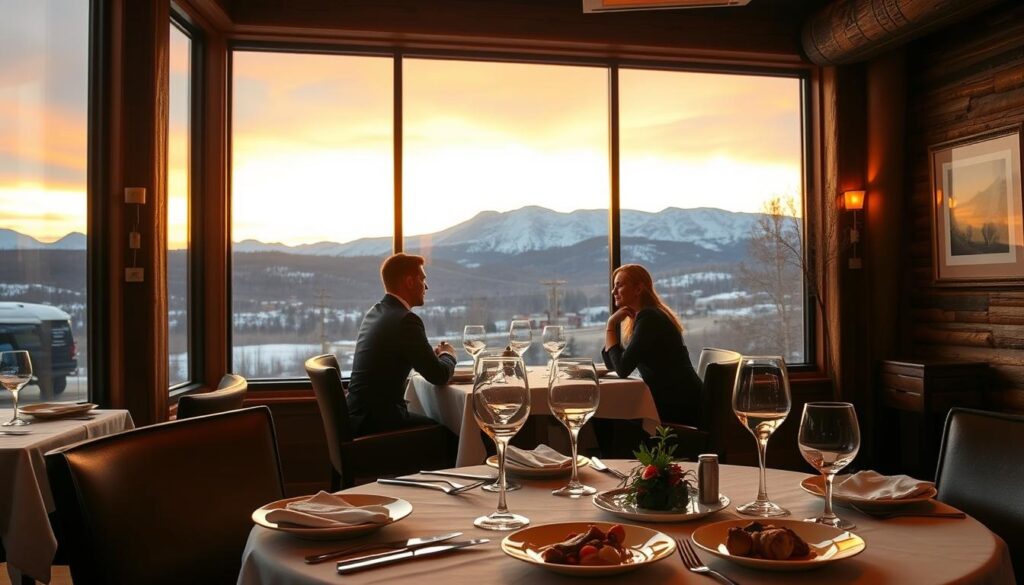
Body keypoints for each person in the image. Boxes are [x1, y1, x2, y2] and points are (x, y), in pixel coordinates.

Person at [346, 253, 457, 436]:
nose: (426, 286)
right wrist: (448, 354)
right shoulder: (406, 320)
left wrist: (429, 355)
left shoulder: (376, 313)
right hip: (378, 423)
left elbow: (396, 358)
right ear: (410, 282)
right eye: (423, 279)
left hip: (358, 418)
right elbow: (439, 375)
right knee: (450, 435)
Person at [602, 263, 702, 426]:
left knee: (607, 417)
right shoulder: (649, 315)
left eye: (619, 285)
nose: (614, 292)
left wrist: (611, 325)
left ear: (638, 289)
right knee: (611, 416)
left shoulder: (649, 318)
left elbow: (621, 369)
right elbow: (612, 364)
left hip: (679, 406)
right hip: (679, 399)